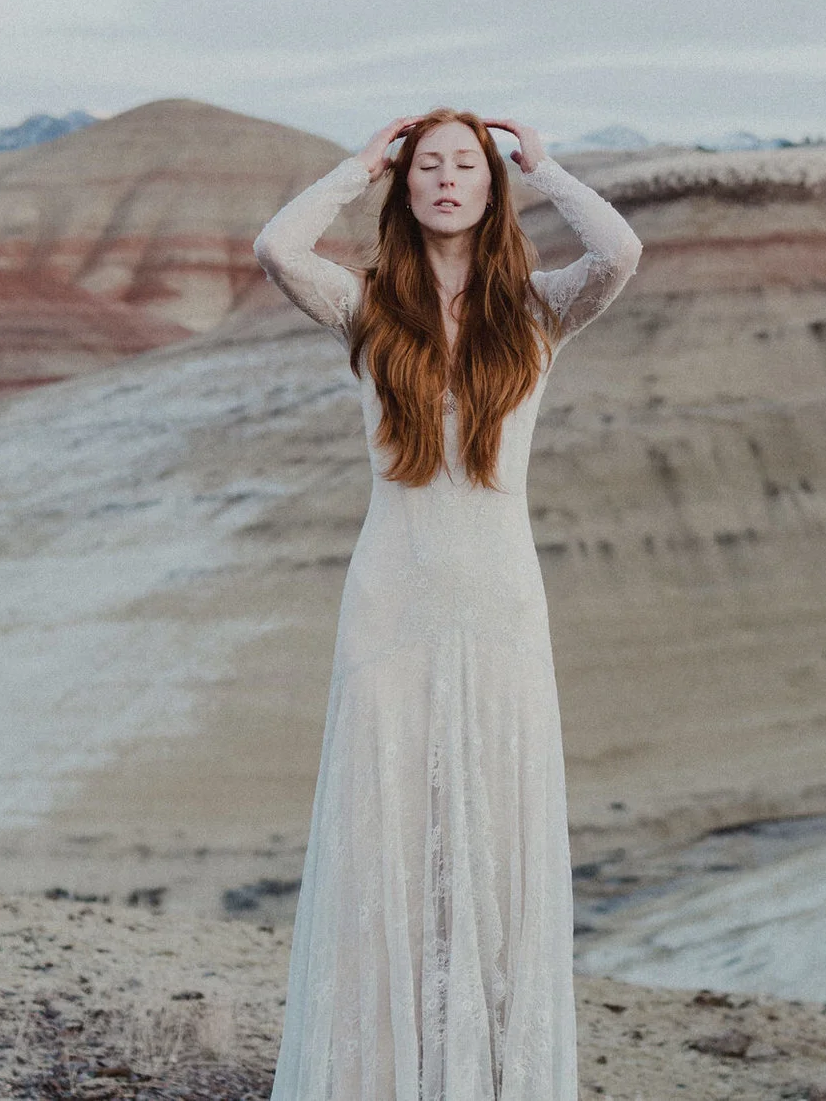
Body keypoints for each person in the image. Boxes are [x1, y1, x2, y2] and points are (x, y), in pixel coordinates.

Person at [252, 108, 643, 1101]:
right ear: (406, 183)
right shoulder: (366, 303)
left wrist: (546, 165)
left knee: (492, 833)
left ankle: (483, 1072)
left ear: (489, 183)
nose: (444, 180)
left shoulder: (542, 307)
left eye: (464, 165)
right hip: (391, 597)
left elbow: (620, 248)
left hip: (500, 600)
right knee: (385, 834)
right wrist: (355, 166)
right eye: (427, 165)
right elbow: (275, 246)